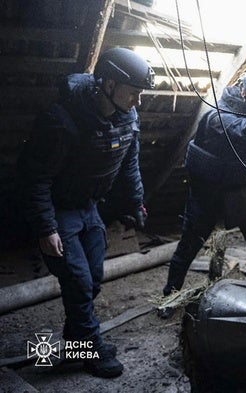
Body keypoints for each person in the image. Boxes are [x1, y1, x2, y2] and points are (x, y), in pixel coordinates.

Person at [17, 47, 154, 377]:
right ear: (108, 85)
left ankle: (74, 341)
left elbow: (129, 164)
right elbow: (34, 178)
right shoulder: (61, 121)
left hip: (89, 207)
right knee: (77, 281)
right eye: (133, 92)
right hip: (59, 211)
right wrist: (46, 228)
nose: (138, 101)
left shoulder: (127, 117)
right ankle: (91, 349)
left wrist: (136, 201)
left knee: (91, 280)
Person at [158, 66, 246, 318]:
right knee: (189, 247)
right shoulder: (218, 115)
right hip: (207, 194)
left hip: (238, 189)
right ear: (244, 91)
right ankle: (170, 294)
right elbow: (245, 128)